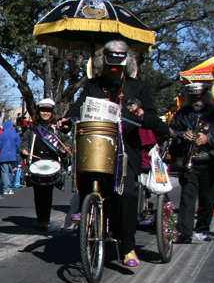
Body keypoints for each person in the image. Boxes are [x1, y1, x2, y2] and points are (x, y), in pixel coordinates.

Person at [61, 39, 167, 269]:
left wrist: (139, 115)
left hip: (125, 151)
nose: (114, 66)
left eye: (120, 60)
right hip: (97, 145)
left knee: (125, 195)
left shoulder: (138, 87)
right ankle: (86, 209)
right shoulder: (93, 85)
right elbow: (79, 106)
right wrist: (67, 120)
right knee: (86, 178)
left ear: (127, 61)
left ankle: (127, 244)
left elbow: (152, 118)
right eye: (110, 59)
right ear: (102, 60)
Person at [169, 83, 214, 243]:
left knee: (208, 198)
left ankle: (202, 229)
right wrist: (182, 135)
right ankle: (184, 232)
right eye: (193, 98)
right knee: (187, 197)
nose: (196, 101)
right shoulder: (182, 114)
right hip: (189, 161)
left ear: (205, 96)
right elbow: (172, 132)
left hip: (211, 161)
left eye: (199, 97)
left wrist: (208, 138)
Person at [21, 99, 69, 229]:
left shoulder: (57, 129)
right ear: (38, 112)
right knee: (38, 193)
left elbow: (68, 142)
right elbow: (24, 140)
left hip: (51, 163)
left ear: (52, 113)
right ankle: (41, 219)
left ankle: (44, 221)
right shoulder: (32, 128)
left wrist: (65, 150)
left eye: (48, 111)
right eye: (43, 110)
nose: (45, 113)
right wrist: (23, 149)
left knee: (47, 193)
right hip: (36, 162)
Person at [0, 120, 21, 195]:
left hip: (3, 155)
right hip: (12, 155)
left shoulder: (1, 134)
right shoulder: (15, 134)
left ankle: (5, 188)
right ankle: (9, 187)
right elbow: (18, 145)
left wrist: (1, 151)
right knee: (10, 171)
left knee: (4, 172)